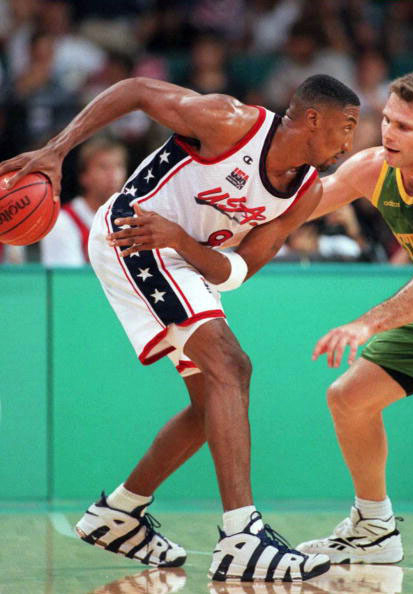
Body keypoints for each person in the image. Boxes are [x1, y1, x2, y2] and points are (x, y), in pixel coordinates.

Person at [0, 73, 361, 582]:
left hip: (183, 258)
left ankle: (119, 513)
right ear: (313, 119)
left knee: (211, 402)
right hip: (133, 235)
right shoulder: (229, 123)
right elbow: (136, 91)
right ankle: (242, 539)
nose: (348, 144)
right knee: (232, 367)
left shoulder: (305, 192)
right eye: (346, 128)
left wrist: (183, 243)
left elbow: (238, 271)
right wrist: (57, 150)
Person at [288, 72, 413, 565]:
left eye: (403, 126)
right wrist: (220, 224)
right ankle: (374, 528)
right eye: (385, 120)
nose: (388, 133)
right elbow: (297, 207)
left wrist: (366, 324)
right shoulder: (373, 168)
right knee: (347, 398)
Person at [41, 138, 128, 266]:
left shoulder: (133, 218)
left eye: (118, 166)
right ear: (84, 177)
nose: (113, 174)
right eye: (104, 167)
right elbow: (67, 276)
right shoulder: (63, 221)